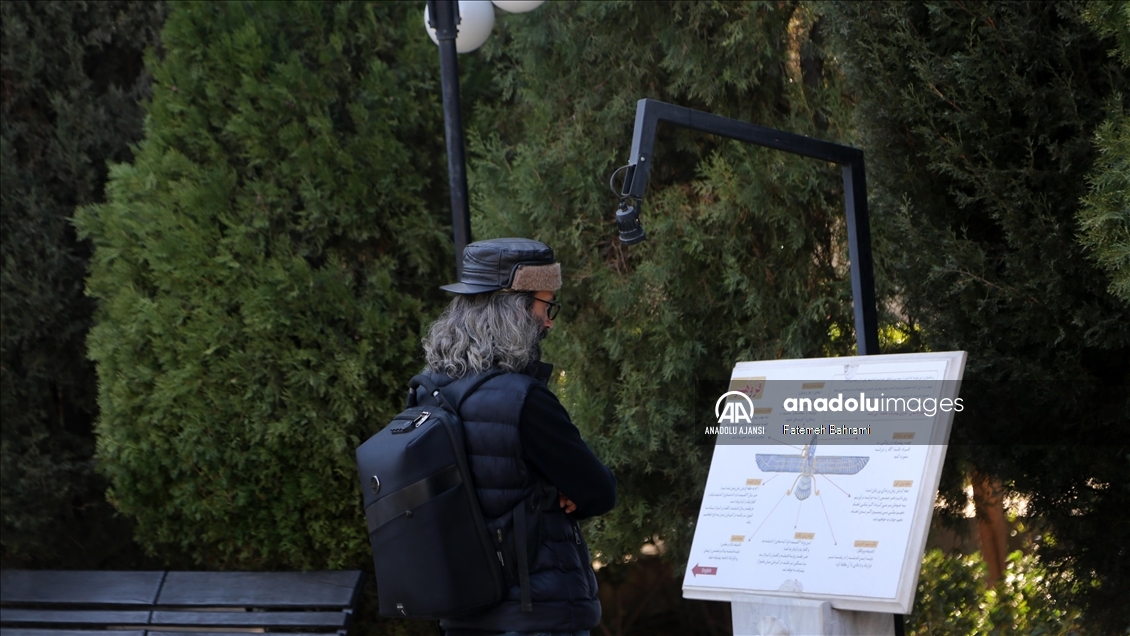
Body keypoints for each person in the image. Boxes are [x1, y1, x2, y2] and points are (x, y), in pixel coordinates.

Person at [419, 237, 616, 636]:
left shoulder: (428, 392)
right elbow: (599, 490)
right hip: (538, 614)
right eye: (546, 306)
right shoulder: (524, 400)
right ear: (516, 309)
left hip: (463, 611)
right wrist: (560, 491)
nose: (549, 321)